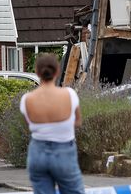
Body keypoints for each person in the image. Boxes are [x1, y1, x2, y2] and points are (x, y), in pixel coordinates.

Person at [20, 53, 84, 194]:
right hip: (64, 153)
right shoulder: (69, 95)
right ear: (57, 71)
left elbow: (29, 124)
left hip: (37, 153)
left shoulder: (27, 99)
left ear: (37, 72)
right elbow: (78, 122)